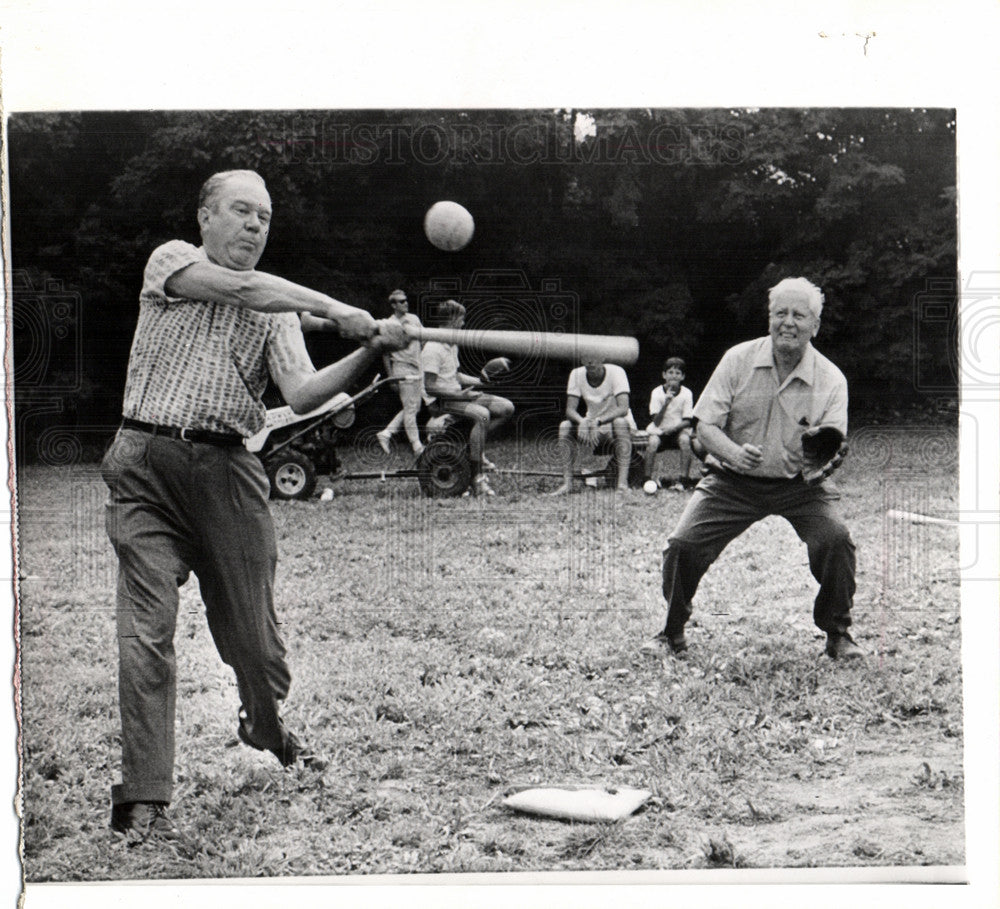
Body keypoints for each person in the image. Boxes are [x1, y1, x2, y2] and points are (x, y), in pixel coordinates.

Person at [100, 170, 407, 846]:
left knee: (259, 648)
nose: (254, 226)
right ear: (206, 217)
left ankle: (264, 722)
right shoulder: (172, 262)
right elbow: (241, 287)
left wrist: (366, 348)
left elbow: (301, 393)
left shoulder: (275, 313)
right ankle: (145, 793)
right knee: (145, 634)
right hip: (146, 467)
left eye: (264, 217)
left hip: (229, 477)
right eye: (241, 211)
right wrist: (339, 307)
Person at [642, 277, 861, 660]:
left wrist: (822, 459)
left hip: (799, 484)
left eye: (799, 314)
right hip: (731, 481)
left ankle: (838, 635)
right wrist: (731, 452)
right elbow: (705, 425)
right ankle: (671, 632)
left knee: (836, 540)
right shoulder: (737, 360)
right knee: (682, 545)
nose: (788, 322)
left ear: (816, 325)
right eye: (780, 313)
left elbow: (833, 443)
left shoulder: (831, 379)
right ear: (769, 318)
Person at [421, 299, 514, 497]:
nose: (463, 324)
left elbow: (456, 376)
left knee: (506, 408)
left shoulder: (452, 344)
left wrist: (481, 380)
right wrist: (458, 394)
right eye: (462, 319)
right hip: (441, 402)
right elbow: (429, 387)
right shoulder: (432, 348)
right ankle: (476, 477)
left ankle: (472, 449)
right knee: (482, 416)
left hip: (458, 396)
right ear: (452, 320)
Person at [549, 357, 632, 495]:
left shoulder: (617, 371)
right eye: (586, 357)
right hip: (592, 424)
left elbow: (623, 408)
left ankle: (622, 485)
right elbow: (570, 410)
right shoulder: (576, 374)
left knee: (620, 423)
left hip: (615, 425)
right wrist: (582, 421)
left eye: (594, 357)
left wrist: (598, 421)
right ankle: (567, 484)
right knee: (565, 426)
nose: (590, 362)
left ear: (602, 357)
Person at [375, 288, 425, 458]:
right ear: (393, 305)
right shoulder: (389, 324)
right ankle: (417, 446)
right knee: (411, 408)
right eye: (402, 301)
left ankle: (387, 432)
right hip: (402, 367)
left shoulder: (414, 319)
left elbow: (423, 341)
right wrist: (391, 377)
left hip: (417, 366)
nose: (406, 303)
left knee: (413, 407)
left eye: (406, 300)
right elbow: (385, 354)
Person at [642, 357, 695, 490]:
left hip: (678, 430)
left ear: (683, 376)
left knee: (684, 440)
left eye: (678, 373)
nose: (674, 376)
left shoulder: (687, 393)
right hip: (659, 430)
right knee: (652, 443)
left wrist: (672, 429)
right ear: (664, 375)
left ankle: (683, 479)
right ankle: (646, 479)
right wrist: (666, 403)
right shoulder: (656, 392)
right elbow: (656, 421)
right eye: (670, 372)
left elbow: (687, 420)